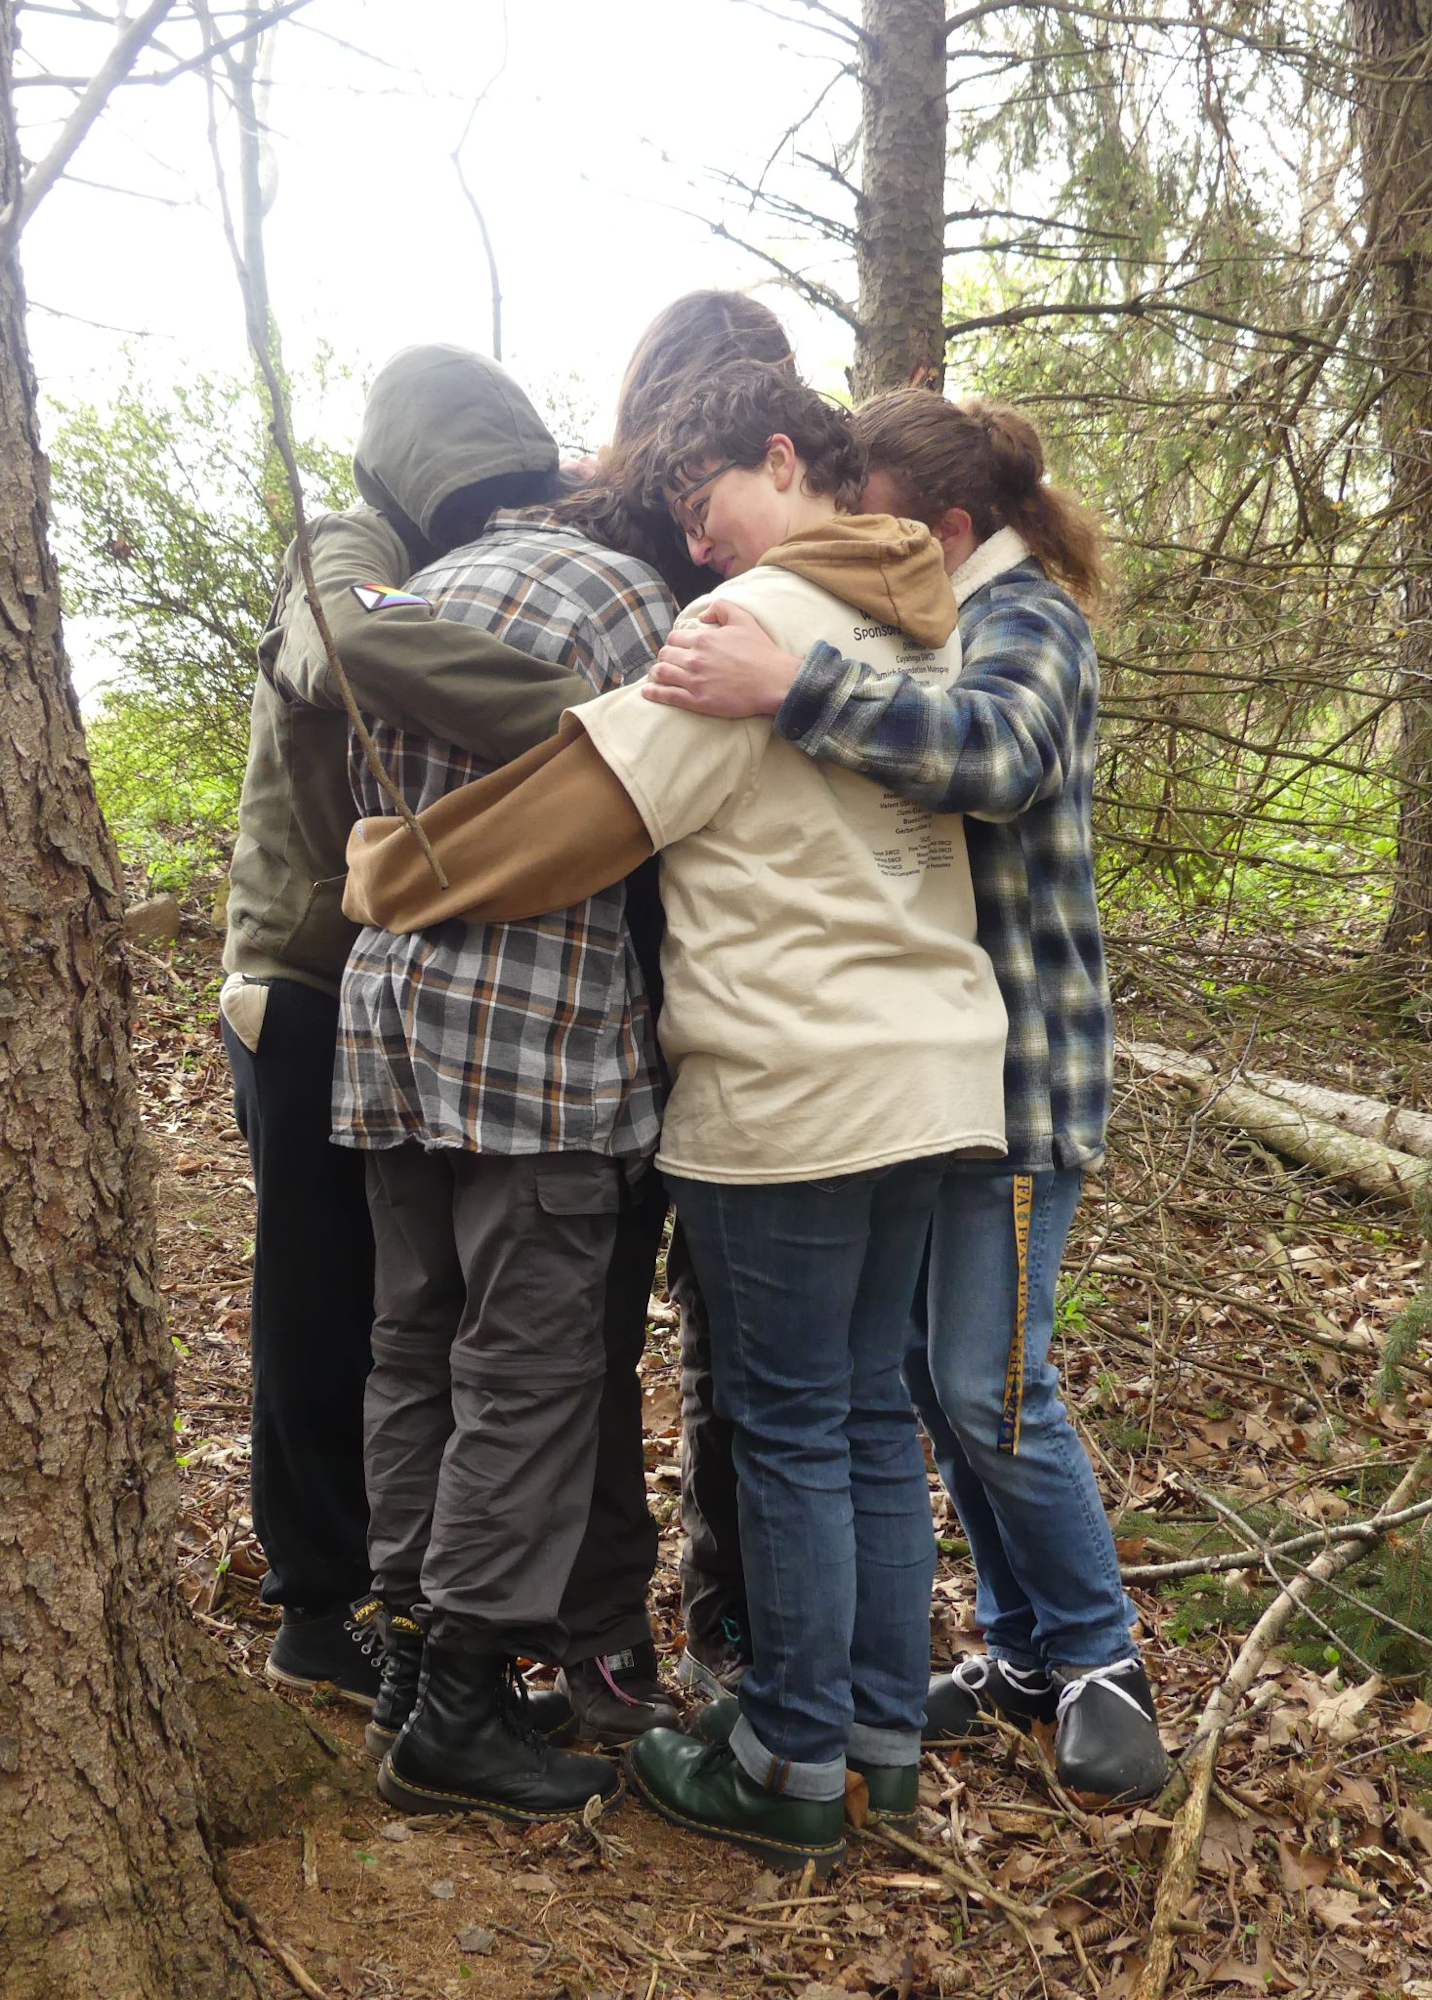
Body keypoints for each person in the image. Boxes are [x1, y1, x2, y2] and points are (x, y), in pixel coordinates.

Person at [341, 363, 1012, 1873]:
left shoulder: (752, 629)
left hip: (794, 1082)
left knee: (789, 1428)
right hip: (937, 1067)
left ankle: (786, 1760)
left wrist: (391, 870)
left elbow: (579, 807)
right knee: (862, 1423)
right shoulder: (927, 623)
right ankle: (875, 1749)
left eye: (703, 508)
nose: (693, 550)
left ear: (785, 459)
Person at [641, 389, 1170, 1805]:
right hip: (933, 1074)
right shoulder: (937, 614)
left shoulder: (1025, 617)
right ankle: (1018, 1652)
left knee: (992, 1391)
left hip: (1017, 1080)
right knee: (930, 1391)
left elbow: (993, 759)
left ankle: (1103, 1661)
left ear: (946, 526)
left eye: (870, 514)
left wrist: (790, 688)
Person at [221, 343, 583, 1705]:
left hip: (380, 984)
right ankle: (316, 1604)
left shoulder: (431, 548)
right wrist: (593, 721)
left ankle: (397, 1591)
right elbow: (357, 644)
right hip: (303, 979)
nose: (495, 522)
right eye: (479, 494)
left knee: (394, 1303)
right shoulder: (347, 545)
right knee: (318, 1301)